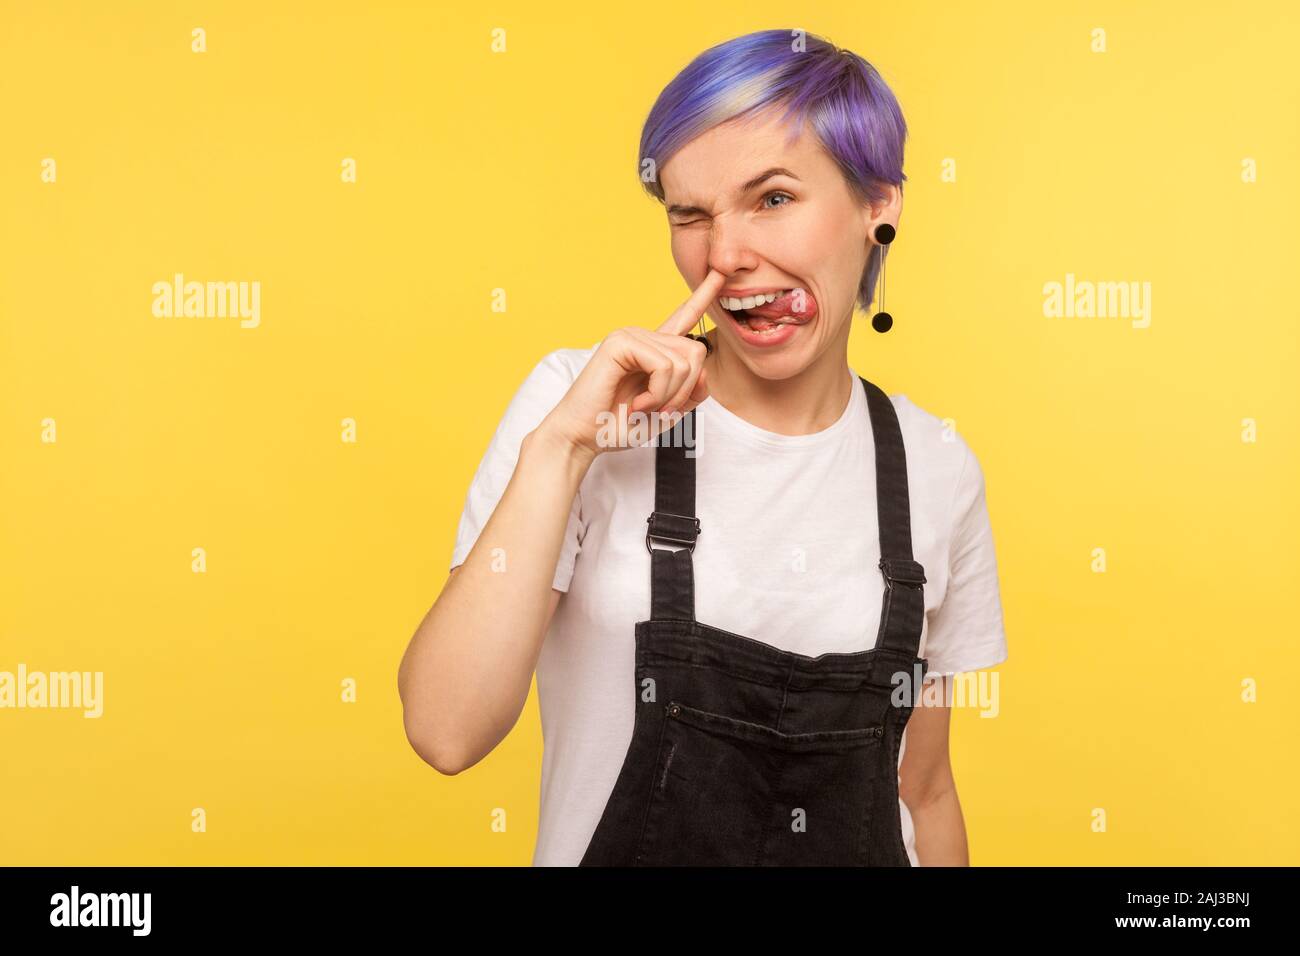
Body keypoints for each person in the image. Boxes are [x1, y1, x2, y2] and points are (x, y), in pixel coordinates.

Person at [398, 28, 1008, 866]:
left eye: (773, 199)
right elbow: (445, 730)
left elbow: (926, 789)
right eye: (690, 215)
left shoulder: (936, 468)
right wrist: (564, 450)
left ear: (879, 208)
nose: (724, 258)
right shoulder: (577, 407)